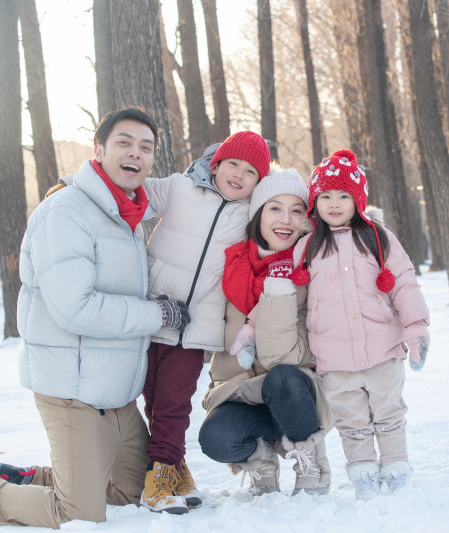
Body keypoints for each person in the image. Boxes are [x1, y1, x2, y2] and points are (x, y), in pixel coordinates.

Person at [0, 108, 191, 529]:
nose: (135, 154)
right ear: (98, 150)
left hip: (116, 394)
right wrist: (157, 314)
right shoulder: (66, 212)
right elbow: (76, 308)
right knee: (79, 513)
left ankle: (19, 477)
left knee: (133, 493)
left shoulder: (125, 216)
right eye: (124, 143)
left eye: (146, 147)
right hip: (72, 391)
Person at [135, 130, 271, 513]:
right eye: (233, 165)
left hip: (195, 328)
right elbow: (129, 191)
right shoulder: (178, 188)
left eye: (251, 172)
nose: (239, 175)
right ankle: (174, 465)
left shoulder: (250, 214)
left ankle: (160, 475)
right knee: (153, 397)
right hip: (152, 313)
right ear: (216, 164)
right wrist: (75, 187)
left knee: (175, 402)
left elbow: (289, 220)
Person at [290, 149, 431, 500]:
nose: (334, 204)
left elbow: (403, 280)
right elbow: (292, 296)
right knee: (351, 419)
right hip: (333, 354)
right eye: (325, 196)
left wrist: (415, 326)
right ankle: (364, 474)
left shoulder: (377, 237)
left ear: (357, 200)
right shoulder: (308, 246)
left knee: (388, 411)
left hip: (382, 347)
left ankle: (396, 466)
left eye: (343, 196)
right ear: (315, 202)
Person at [198, 166, 334, 497]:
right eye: (275, 208)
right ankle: (261, 460)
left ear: (307, 218)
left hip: (298, 394)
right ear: (258, 214)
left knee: (283, 378)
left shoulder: (312, 267)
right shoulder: (231, 267)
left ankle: (310, 460)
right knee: (215, 437)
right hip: (243, 390)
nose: (285, 220)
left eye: (296, 210)